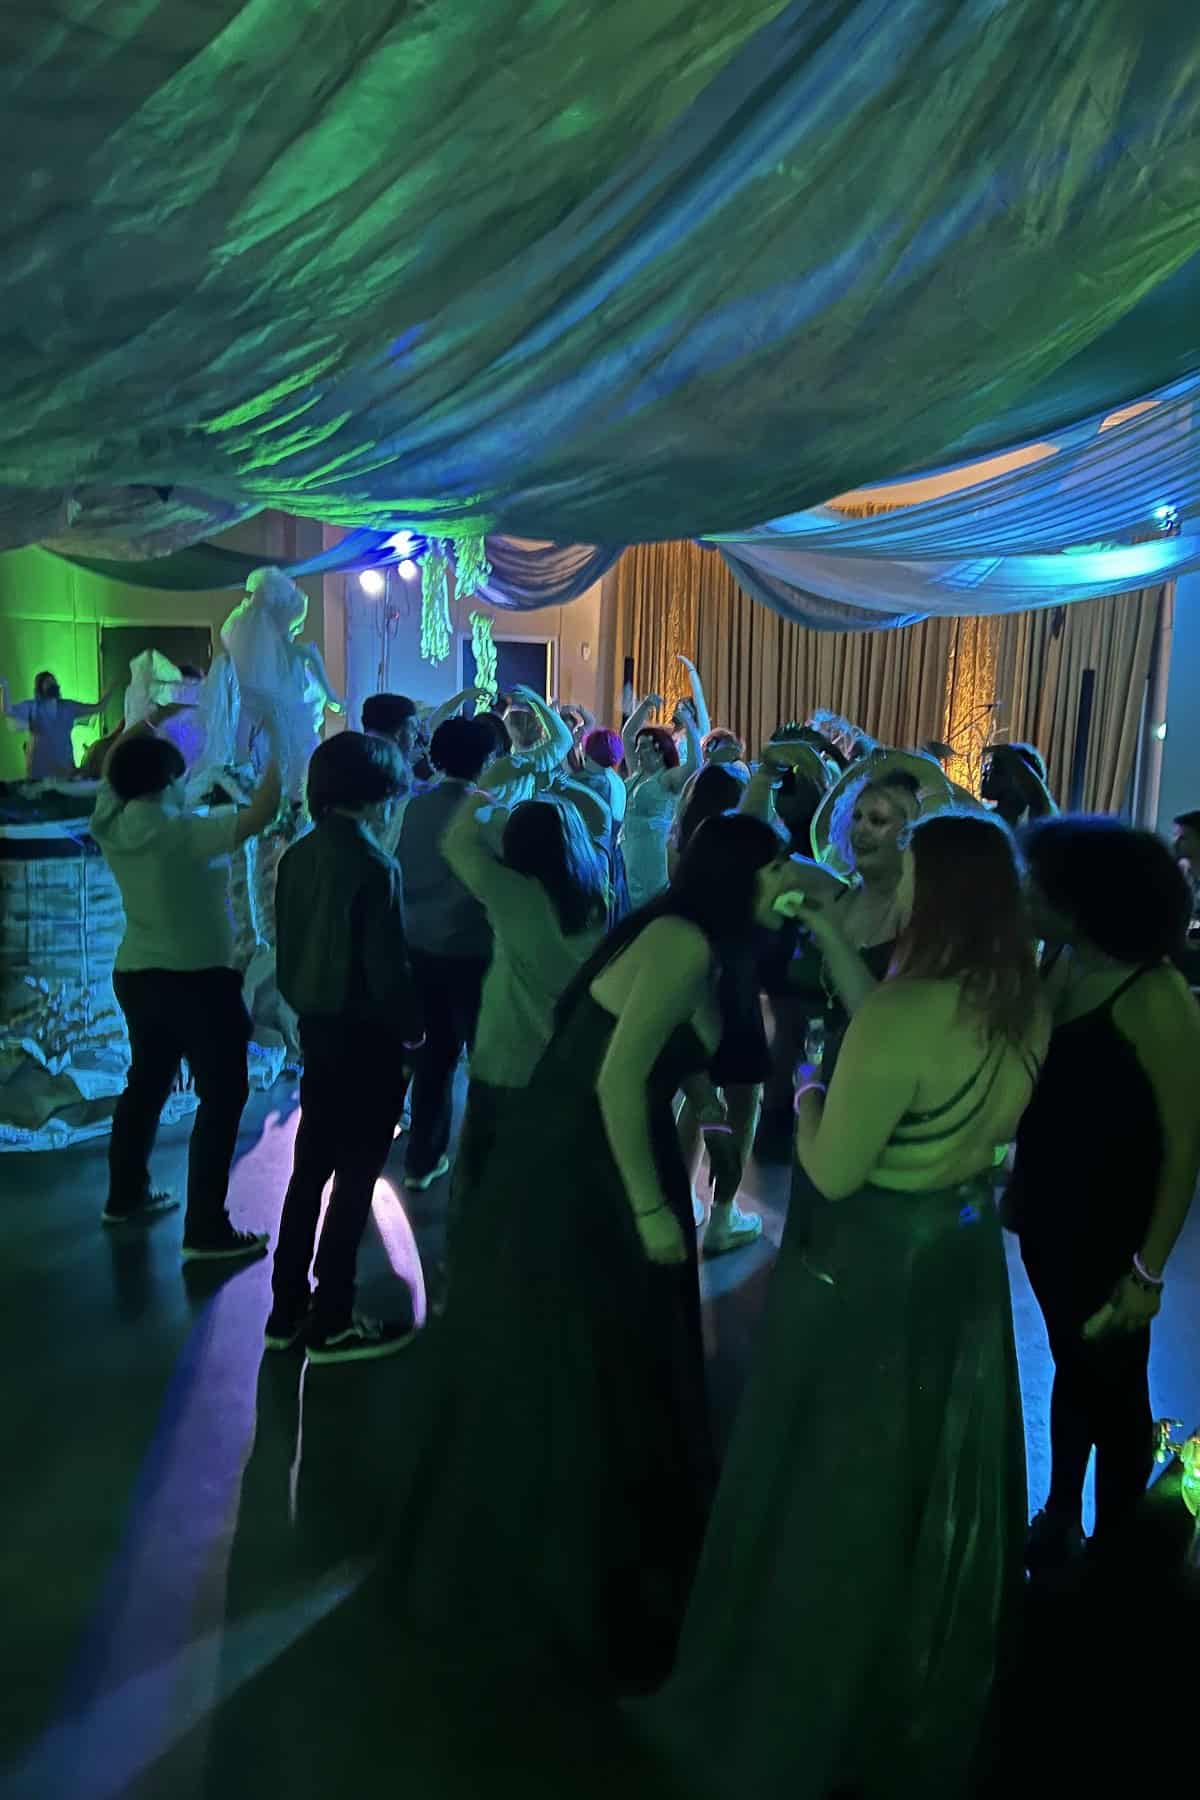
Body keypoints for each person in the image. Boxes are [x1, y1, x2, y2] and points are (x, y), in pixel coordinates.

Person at [647, 813, 1049, 1799]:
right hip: (959, 1257)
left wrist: (817, 1088)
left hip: (872, 1261)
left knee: (840, 1478)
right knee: (931, 1471)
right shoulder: (1022, 997)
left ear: (936, 893)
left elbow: (830, 1163)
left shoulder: (905, 1017)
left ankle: (822, 1678)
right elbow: (903, 1032)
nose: (894, 889)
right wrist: (832, 938)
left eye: (908, 873)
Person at [387, 814, 805, 1693]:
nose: (787, 877)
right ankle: (568, 1572)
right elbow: (617, 1077)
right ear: (737, 876)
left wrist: (709, 1110)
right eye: (773, 867)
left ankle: (603, 1544)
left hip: (595, 1145)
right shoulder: (684, 940)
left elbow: (658, 1051)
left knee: (604, 1347)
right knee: (582, 1350)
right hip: (582, 1159)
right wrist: (655, 1210)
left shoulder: (686, 930)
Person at [1010, 816, 1200, 1567]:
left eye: (1037, 883)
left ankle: (1121, 1553)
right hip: (1050, 1212)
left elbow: (1186, 1143)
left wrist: (1148, 1273)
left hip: (1108, 1227)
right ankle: (1062, 1510)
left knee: (1117, 1393)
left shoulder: (1153, 994)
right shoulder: (1061, 959)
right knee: (1073, 1368)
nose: (1023, 891)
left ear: (1081, 899)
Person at [91, 705, 281, 1258]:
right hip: (198, 981)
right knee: (222, 1096)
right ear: (166, 781)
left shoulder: (110, 819)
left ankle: (124, 1197)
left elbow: (110, 766)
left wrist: (147, 720)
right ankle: (205, 1230)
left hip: (137, 974)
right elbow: (263, 813)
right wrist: (281, 740)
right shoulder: (183, 832)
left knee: (145, 1086)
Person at [266, 733, 424, 1363]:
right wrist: (414, 1036)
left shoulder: (297, 857)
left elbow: (290, 951)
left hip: (318, 1036)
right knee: (356, 1180)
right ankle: (333, 1315)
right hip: (368, 1044)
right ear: (378, 795)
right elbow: (389, 975)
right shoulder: (376, 866)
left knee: (308, 1176)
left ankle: (285, 1310)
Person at [440, 791, 608, 1245]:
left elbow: (457, 845)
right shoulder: (596, 895)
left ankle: (472, 1285)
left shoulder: (512, 892)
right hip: (570, 1061)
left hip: (505, 1058)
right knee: (550, 1187)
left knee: (484, 1184)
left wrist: (482, 802)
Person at [396, 714, 497, 1191]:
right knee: (486, 1058)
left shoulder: (414, 808)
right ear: (487, 759)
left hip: (420, 946)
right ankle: (483, 1162)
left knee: (433, 1058)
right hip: (473, 949)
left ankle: (422, 1159)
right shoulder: (486, 809)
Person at [1, 669, 118, 779]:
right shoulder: (32, 707)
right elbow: (8, 711)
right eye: (48, 682)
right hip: (38, 772)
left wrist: (110, 690)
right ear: (40, 687)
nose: (53, 684)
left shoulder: (68, 707)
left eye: (53, 681)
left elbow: (98, 708)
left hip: (64, 771)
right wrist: (4, 686)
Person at [982, 740, 1056, 829]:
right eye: (988, 767)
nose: (984, 773)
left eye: (995, 769)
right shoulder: (980, 815)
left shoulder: (1033, 832)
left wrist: (1007, 753)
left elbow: (1039, 799)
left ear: (1019, 781)